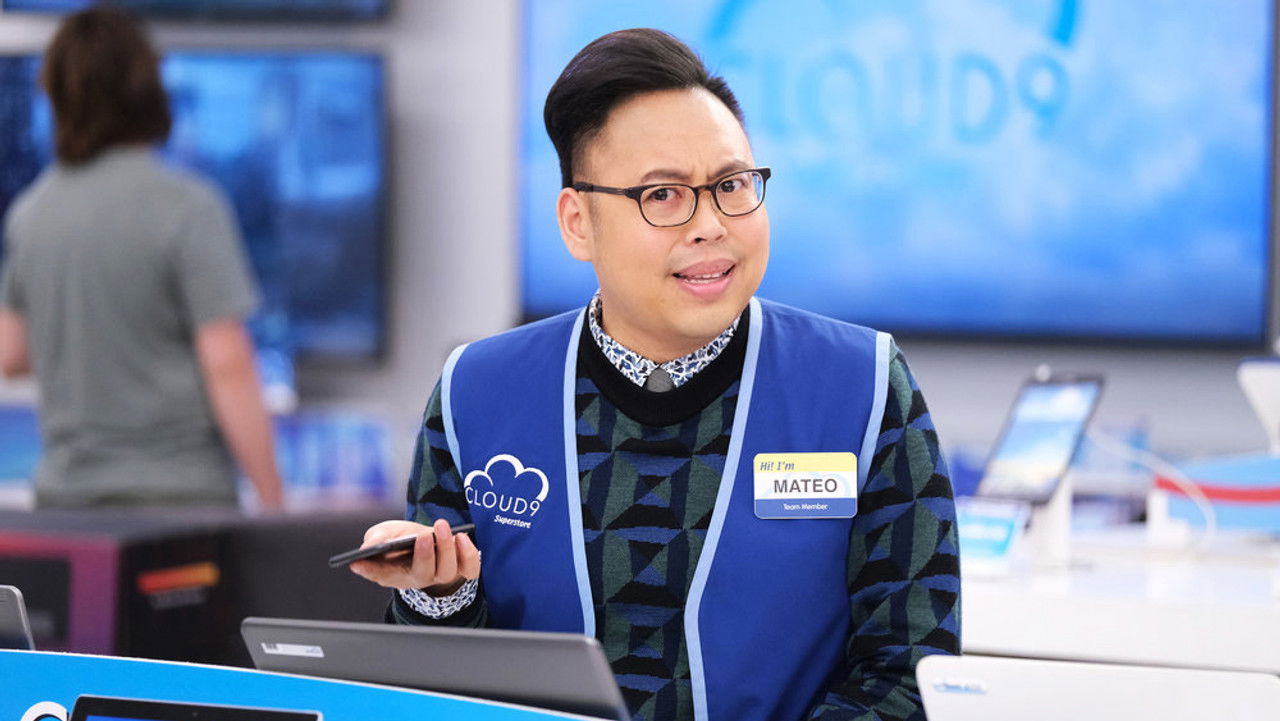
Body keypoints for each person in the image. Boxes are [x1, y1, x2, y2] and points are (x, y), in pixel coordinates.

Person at [351, 29, 959, 721]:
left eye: (731, 185)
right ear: (578, 223)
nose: (710, 224)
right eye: (663, 194)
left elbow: (912, 673)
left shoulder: (863, 387)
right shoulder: (476, 393)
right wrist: (440, 596)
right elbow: (430, 688)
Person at [0, 6, 284, 512]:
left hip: (67, 504)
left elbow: (11, 355)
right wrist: (273, 503)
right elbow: (229, 367)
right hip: (179, 507)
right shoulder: (188, 207)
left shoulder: (29, 214)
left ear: (56, 99)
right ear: (147, 91)